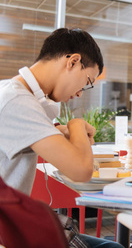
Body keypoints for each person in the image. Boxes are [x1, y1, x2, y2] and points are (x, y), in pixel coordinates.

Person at [0, 28, 124, 248]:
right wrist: (76, 124)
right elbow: (81, 171)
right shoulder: (17, 101)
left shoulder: (13, 92)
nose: (79, 94)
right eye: (87, 82)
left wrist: (63, 131)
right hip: (8, 233)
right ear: (73, 61)